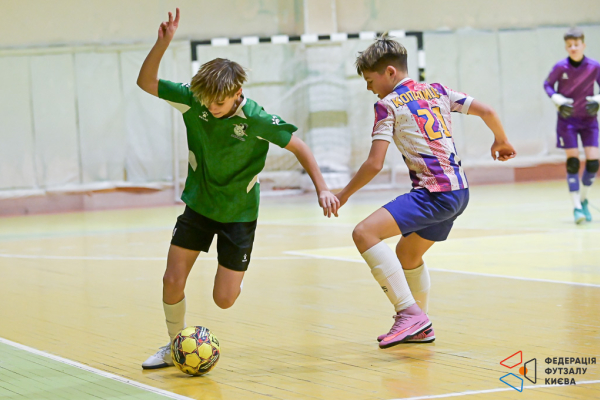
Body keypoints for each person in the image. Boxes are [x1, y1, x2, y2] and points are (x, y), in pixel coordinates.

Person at [137, 8, 339, 369]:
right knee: (172, 279)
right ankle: (175, 346)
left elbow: (300, 147)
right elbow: (146, 82)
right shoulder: (194, 99)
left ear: (237, 93)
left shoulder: (258, 119)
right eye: (206, 101)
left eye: (219, 102)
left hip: (239, 213)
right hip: (200, 204)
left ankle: (235, 279)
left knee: (224, 300)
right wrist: (162, 43)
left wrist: (322, 188)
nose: (211, 107)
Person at [335, 34, 516, 349]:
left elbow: (374, 164)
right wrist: (501, 140)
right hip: (459, 192)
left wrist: (343, 194)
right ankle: (420, 326)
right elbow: (487, 110)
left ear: (390, 72)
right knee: (408, 254)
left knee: (364, 233)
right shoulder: (439, 90)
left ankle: (409, 314)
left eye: (370, 80)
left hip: (434, 193)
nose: (369, 88)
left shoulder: (387, 105)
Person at [544, 27, 600, 224]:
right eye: (569, 45)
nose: (573, 48)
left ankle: (584, 199)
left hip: (589, 120)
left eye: (576, 44)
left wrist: (598, 99)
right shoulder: (561, 67)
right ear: (566, 47)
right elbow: (547, 85)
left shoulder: (594, 66)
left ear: (583, 45)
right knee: (573, 162)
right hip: (567, 121)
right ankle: (576, 206)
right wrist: (557, 99)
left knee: (593, 163)